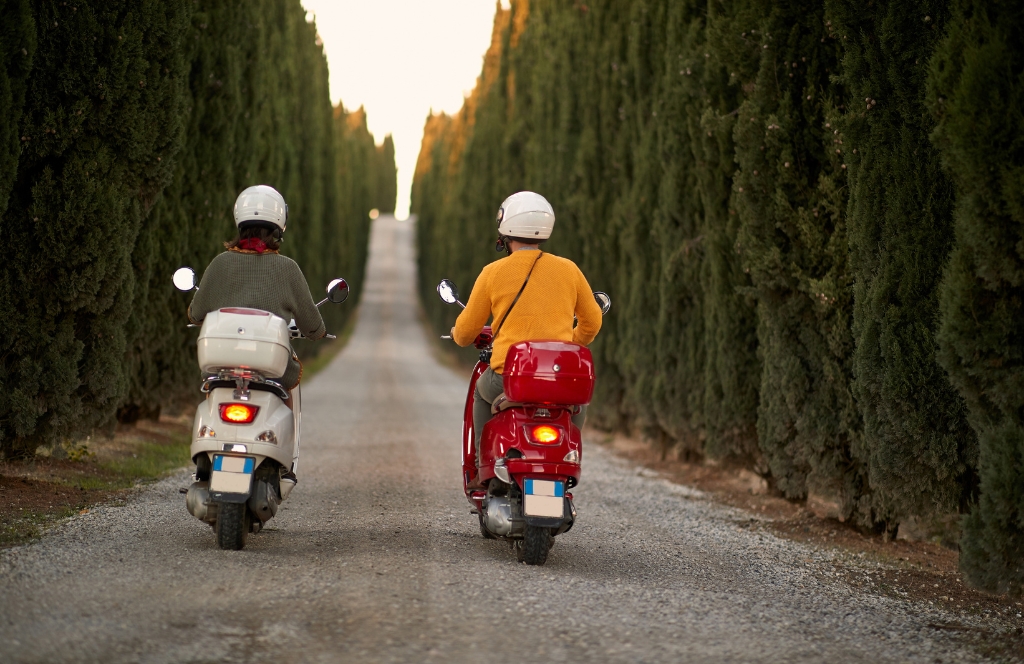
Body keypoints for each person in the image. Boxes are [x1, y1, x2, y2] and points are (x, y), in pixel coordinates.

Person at [451, 191, 602, 483]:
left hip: (508, 378)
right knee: (575, 405)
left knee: (481, 395)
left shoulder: (493, 272)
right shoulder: (568, 270)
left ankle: (484, 470)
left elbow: (466, 332)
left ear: (505, 232)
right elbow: (592, 321)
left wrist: (459, 333)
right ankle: (567, 456)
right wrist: (571, 342)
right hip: (557, 378)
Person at [188, 184, 325, 400]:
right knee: (285, 394)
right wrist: (318, 332)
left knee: (215, 383)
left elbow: (195, 314)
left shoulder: (219, 264)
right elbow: (313, 327)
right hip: (271, 368)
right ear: (279, 226)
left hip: (222, 362)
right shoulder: (288, 269)